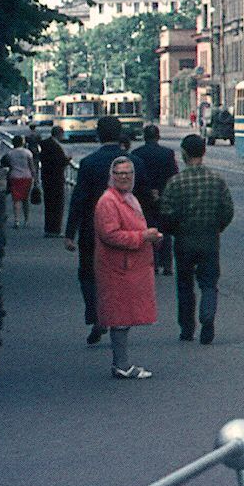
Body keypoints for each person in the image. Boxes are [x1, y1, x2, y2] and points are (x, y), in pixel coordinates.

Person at [65, 116, 136, 345]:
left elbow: (79, 199)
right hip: (126, 230)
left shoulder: (89, 163)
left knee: (88, 273)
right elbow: (144, 198)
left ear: (98, 134)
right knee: (121, 275)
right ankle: (117, 319)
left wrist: (69, 233)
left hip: (92, 229)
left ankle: (96, 314)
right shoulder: (134, 164)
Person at [158, 135, 235, 345]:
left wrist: (174, 230)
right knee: (209, 283)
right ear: (204, 152)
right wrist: (217, 227)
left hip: (184, 240)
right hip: (209, 238)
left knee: (184, 285)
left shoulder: (175, 182)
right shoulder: (216, 180)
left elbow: (166, 213)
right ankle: (207, 315)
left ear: (183, 153)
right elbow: (228, 210)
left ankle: (186, 328)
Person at [94, 156, 161, 378]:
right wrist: (143, 236)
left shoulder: (128, 198)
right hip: (118, 268)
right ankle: (121, 365)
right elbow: (110, 235)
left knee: (124, 315)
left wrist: (149, 237)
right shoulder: (108, 202)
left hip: (128, 267)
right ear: (111, 176)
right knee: (120, 317)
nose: (124, 177)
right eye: (119, 173)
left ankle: (122, 363)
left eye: (128, 173)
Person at [129, 125, 179, 276]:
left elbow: (134, 179)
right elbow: (173, 176)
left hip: (143, 198)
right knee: (165, 230)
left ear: (144, 137)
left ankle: (154, 263)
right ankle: (168, 264)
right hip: (164, 196)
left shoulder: (136, 154)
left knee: (148, 228)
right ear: (158, 136)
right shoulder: (167, 154)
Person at [37, 125, 70, 237]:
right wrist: (67, 159)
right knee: (57, 205)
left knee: (49, 204)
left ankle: (49, 228)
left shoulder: (45, 144)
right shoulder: (55, 146)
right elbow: (59, 162)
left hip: (46, 178)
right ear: (59, 134)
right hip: (56, 179)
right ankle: (55, 229)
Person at [0, 135, 37, 229]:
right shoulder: (28, 153)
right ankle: (26, 220)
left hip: (14, 177)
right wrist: (35, 179)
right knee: (25, 199)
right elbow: (32, 167)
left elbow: (7, 164)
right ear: (22, 142)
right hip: (26, 177)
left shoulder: (10, 153)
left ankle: (16, 220)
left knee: (16, 199)